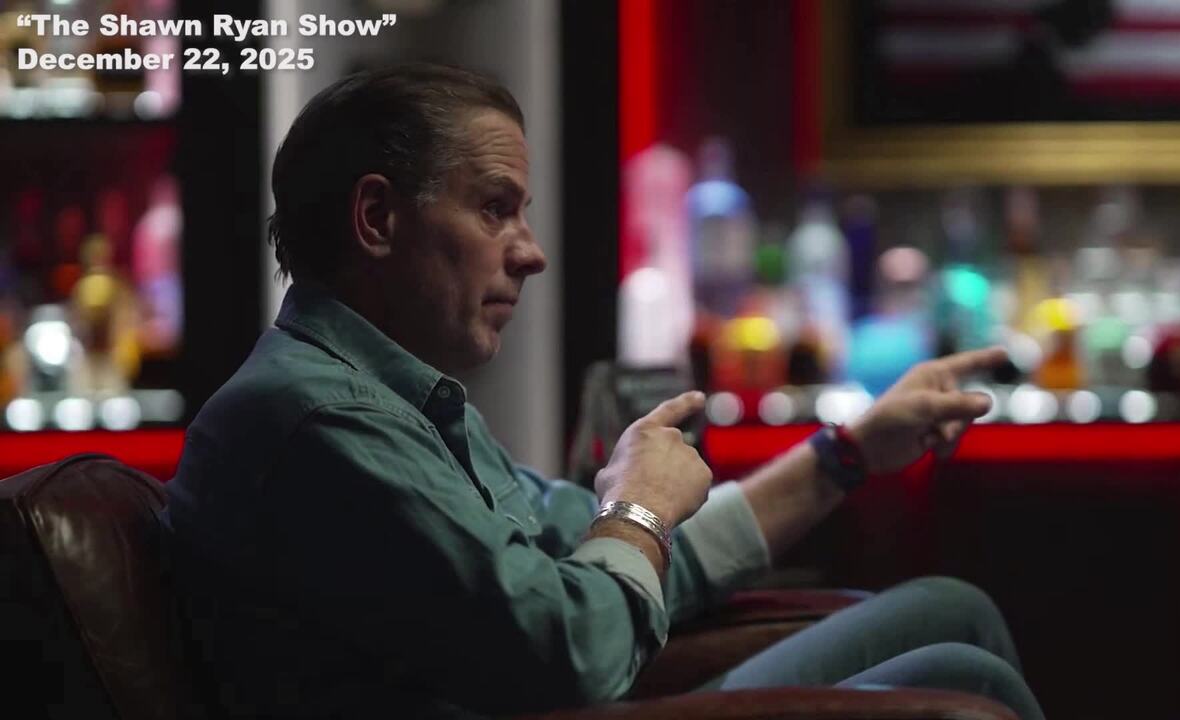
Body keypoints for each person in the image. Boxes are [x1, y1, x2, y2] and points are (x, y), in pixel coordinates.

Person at [164, 63, 1045, 720]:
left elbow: (642, 567)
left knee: (953, 610)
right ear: (377, 218)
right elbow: (574, 650)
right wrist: (637, 510)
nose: (532, 251)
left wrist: (848, 452)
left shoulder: (394, 398)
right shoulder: (318, 421)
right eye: (496, 208)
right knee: (965, 679)